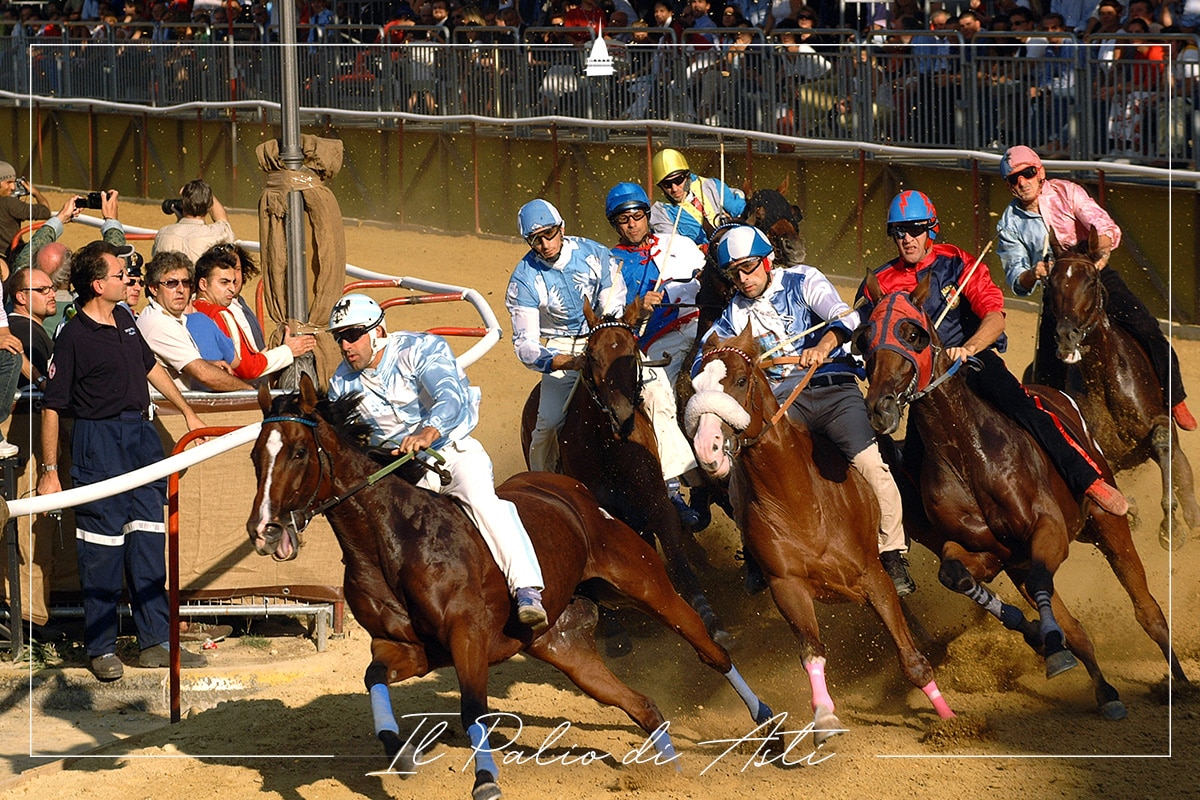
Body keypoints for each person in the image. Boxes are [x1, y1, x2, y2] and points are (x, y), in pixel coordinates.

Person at [857, 190, 1129, 518]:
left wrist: (970, 346)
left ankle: (1088, 480)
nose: (907, 239)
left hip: (972, 361)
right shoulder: (881, 281)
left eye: (915, 229)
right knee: (910, 462)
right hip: (924, 383)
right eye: (898, 232)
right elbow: (865, 335)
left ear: (931, 229)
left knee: (1024, 407)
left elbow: (995, 316)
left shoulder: (958, 262)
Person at [695, 225, 916, 596]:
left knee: (871, 466)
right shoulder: (734, 312)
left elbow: (846, 318)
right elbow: (709, 349)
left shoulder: (803, 279)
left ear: (766, 261)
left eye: (749, 268)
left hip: (833, 390)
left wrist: (825, 345)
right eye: (735, 274)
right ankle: (753, 553)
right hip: (785, 402)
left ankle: (891, 554)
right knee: (741, 474)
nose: (744, 279)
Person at [37, 240, 211, 682]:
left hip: (141, 437)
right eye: (119, 275)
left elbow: (150, 366)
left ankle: (156, 642)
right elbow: (53, 406)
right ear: (98, 284)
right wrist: (50, 471)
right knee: (102, 549)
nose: (128, 280)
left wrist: (186, 409)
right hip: (99, 441)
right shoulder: (73, 335)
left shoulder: (127, 319)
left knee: (149, 541)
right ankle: (100, 647)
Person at [326, 293, 548, 628]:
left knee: (483, 501)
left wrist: (428, 432)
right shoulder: (339, 384)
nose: (345, 345)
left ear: (378, 331)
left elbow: (450, 396)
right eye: (339, 337)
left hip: (451, 452)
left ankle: (527, 590)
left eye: (353, 334)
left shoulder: (420, 348)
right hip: (400, 472)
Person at [994, 145, 1194, 430]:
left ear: (1040, 173)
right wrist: (1033, 273)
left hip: (1093, 275)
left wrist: (1103, 243)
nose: (1022, 182)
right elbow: (1016, 278)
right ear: (1009, 186)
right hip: (1058, 293)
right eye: (1014, 179)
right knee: (1046, 370)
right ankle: (1054, 432)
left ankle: (1174, 398)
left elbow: (1102, 223)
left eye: (1027, 173)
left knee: (1146, 326)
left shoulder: (1067, 191)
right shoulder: (1008, 223)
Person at [604, 182, 707, 526]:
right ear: (615, 225)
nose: (632, 224)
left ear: (648, 216)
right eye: (623, 220)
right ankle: (674, 489)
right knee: (659, 395)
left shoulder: (679, 243)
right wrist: (638, 306)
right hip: (656, 342)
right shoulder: (611, 264)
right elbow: (609, 318)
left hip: (703, 328)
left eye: (637, 216)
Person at [505, 199, 626, 472]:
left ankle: (675, 479)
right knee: (547, 423)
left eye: (549, 233)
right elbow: (525, 345)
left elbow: (614, 301)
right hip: (561, 347)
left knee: (657, 394)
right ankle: (542, 482)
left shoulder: (596, 254)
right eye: (535, 239)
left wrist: (602, 338)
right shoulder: (523, 280)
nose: (545, 244)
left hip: (605, 334)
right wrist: (570, 362)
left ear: (562, 227)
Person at [191, 245, 315, 384]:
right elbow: (248, 368)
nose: (232, 289)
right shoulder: (220, 314)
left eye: (233, 282)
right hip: (228, 398)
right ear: (203, 284)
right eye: (224, 282)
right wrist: (287, 351)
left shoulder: (190, 309)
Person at [136, 250, 252, 392]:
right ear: (154, 288)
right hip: (167, 411)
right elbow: (203, 374)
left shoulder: (172, 318)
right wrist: (248, 391)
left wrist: (209, 364)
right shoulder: (159, 323)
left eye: (185, 283)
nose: (181, 290)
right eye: (171, 283)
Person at [648, 148, 746, 248]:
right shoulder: (660, 212)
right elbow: (674, 248)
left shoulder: (710, 185)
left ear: (687, 176)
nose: (674, 189)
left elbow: (739, 208)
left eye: (678, 180)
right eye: (667, 184)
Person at [151, 178, 235, 263]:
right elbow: (222, 219)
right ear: (208, 204)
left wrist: (180, 220)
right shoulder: (215, 233)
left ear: (183, 204)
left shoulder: (163, 233)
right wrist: (204, 193)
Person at [0, 161, 52, 263]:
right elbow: (46, 212)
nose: (13, 187)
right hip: (10, 259)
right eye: (8, 182)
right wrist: (36, 193)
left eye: (14, 182)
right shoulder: (9, 203)